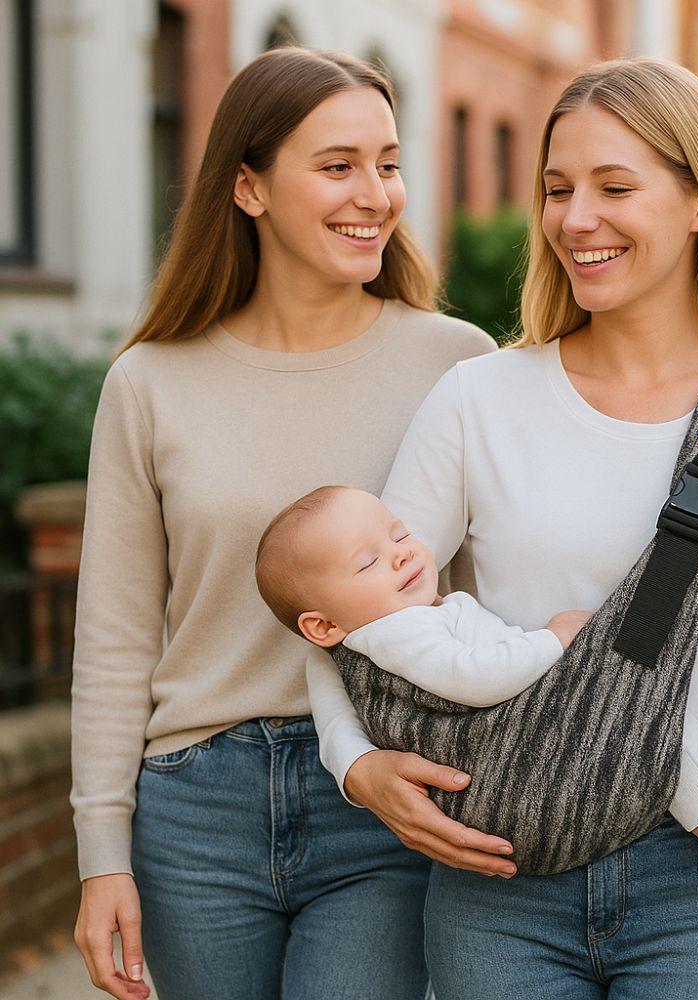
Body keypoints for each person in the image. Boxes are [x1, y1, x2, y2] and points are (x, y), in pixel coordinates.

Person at [307, 58, 698, 999]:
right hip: (502, 879)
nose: (577, 219)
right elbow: (347, 615)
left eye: (616, 186)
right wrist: (358, 763)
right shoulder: (480, 400)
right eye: (557, 189)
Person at [69, 47, 496, 1000]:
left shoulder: (456, 365)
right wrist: (103, 854)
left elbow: (484, 598)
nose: (376, 194)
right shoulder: (149, 383)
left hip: (381, 798)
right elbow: (115, 637)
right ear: (249, 188)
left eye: (388, 163)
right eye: (337, 165)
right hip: (194, 812)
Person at [262, 484, 698, 897]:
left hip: (522, 777)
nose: (402, 553)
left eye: (399, 533)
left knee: (652, 731)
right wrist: (553, 641)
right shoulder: (398, 632)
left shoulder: (360, 641)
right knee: (657, 732)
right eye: (368, 562)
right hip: (525, 747)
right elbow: (474, 678)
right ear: (322, 625)